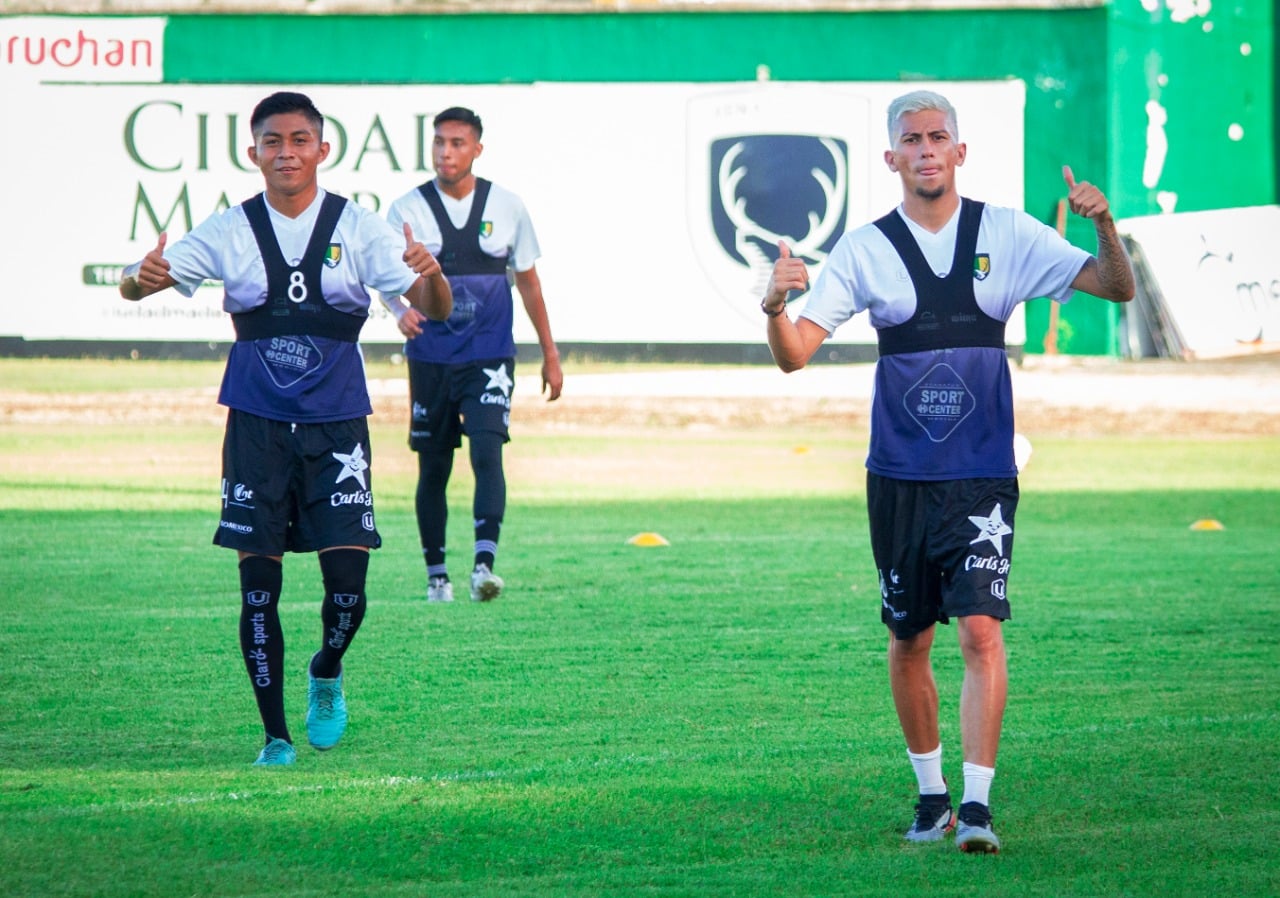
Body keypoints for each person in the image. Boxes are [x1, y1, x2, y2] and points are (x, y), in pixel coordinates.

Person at [762, 90, 1134, 852]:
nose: (927, 149)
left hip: (981, 475)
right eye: (912, 139)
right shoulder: (866, 250)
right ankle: (930, 799)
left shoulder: (1007, 233)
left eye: (939, 137)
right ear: (891, 158)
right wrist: (773, 306)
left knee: (980, 631)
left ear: (960, 152)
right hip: (898, 476)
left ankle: (979, 809)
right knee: (909, 640)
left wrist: (1105, 225)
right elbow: (795, 354)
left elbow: (1115, 286)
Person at [118, 91, 453, 766]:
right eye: (273, 142)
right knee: (258, 591)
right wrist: (136, 277)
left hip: (336, 432)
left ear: (323, 151)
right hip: (257, 431)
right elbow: (135, 284)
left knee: (349, 595)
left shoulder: (358, 229)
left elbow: (436, 308)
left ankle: (326, 670)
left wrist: (433, 274)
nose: (287, 153)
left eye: (300, 140)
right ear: (254, 153)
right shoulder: (227, 230)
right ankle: (274, 734)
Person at [381, 106, 563, 604]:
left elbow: (528, 281)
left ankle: (483, 566)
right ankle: (436, 576)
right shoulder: (406, 209)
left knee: (487, 451)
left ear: (477, 149)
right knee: (434, 467)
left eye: (458, 143)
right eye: (439, 142)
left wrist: (550, 353)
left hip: (489, 353)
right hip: (431, 356)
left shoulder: (507, 206)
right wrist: (398, 309)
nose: (446, 151)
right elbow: (382, 275)